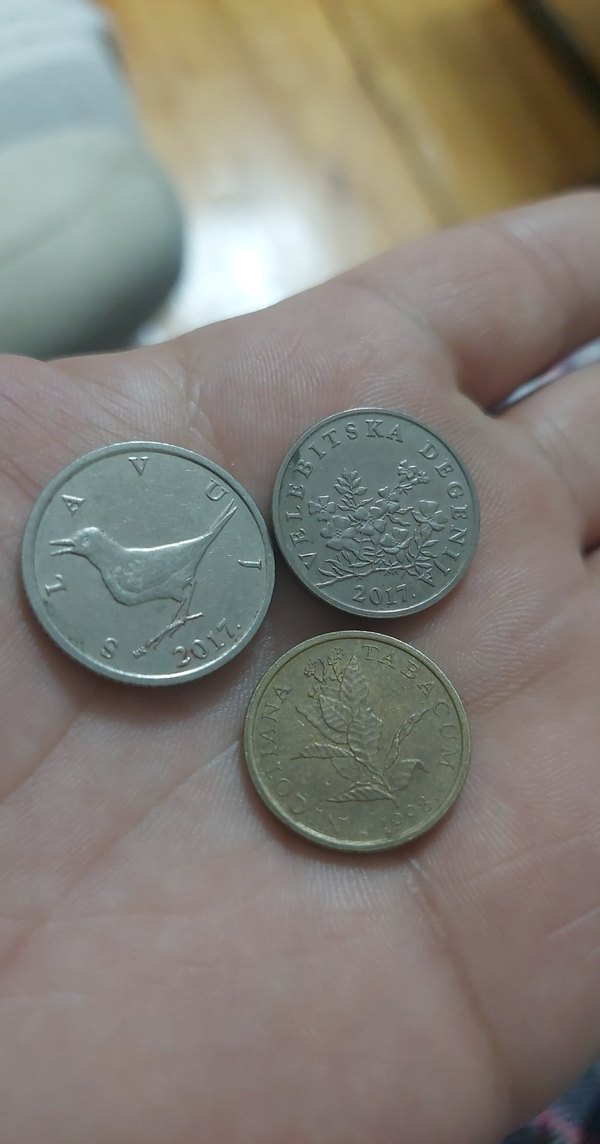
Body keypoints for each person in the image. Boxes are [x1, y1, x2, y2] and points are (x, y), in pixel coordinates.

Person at [0, 191, 598, 1144]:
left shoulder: (138, 567)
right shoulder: (107, 563)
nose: (79, 549)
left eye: (85, 546)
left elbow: (162, 574)